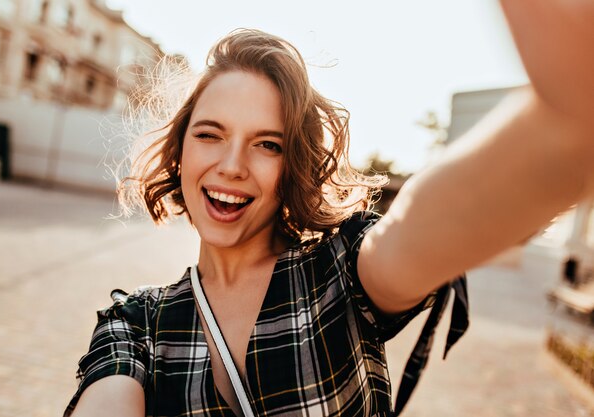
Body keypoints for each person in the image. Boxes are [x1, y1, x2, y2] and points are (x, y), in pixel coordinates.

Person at [64, 1, 594, 416]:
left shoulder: (337, 272)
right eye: (210, 135)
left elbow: (416, 226)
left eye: (267, 144)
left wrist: (565, 123)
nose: (232, 165)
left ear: (292, 164)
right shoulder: (137, 325)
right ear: (181, 153)